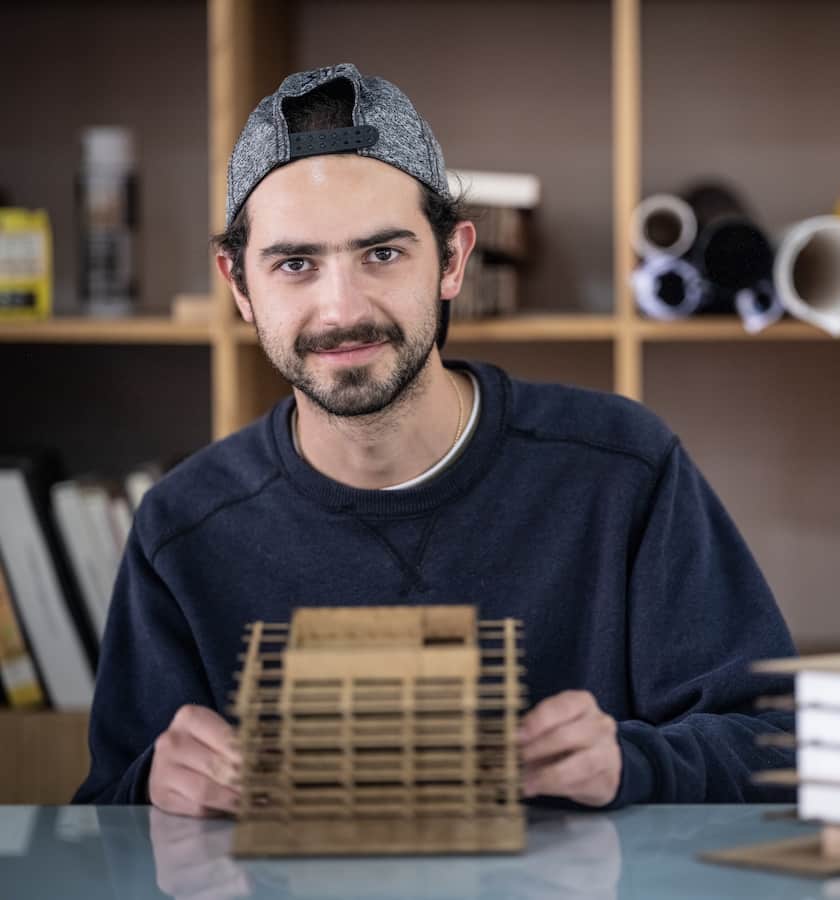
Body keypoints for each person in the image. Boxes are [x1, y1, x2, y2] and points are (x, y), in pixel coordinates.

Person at [74, 63, 795, 816]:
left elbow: (780, 744)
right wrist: (150, 790)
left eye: (382, 254)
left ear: (452, 260)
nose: (342, 310)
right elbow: (97, 821)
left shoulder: (623, 469)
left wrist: (633, 763)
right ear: (239, 286)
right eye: (295, 264)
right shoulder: (181, 529)